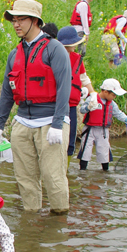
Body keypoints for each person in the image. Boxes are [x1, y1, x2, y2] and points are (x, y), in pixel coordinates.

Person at [0, 0, 71, 215]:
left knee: (53, 176)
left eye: (21, 20)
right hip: (22, 123)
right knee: (25, 179)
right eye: (14, 20)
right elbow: (7, 92)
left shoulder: (54, 49)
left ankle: (58, 223)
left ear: (35, 21)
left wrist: (58, 124)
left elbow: (64, 88)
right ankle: (32, 223)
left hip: (50, 123)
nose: (16, 24)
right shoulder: (14, 53)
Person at [77, 78, 127, 171]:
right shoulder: (92, 99)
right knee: (85, 152)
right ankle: (82, 172)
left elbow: (118, 113)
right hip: (89, 130)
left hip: (103, 131)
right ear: (105, 92)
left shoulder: (112, 104)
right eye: (113, 95)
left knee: (104, 153)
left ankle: (105, 173)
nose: (114, 97)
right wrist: (88, 107)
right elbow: (81, 110)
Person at [56, 26, 94, 158]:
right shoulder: (54, 56)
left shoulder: (77, 58)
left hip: (72, 105)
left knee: (70, 139)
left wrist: (93, 93)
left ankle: (65, 169)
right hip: (55, 105)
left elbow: (83, 78)